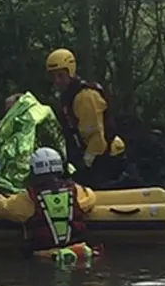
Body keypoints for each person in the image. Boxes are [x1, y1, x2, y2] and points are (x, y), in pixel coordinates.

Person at [0, 147, 102, 266]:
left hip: (45, 256)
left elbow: (5, 208)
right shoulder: (76, 191)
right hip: (79, 251)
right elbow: (90, 198)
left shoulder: (28, 197)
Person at [45, 48, 130, 189]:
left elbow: (97, 138)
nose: (57, 81)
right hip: (93, 155)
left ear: (70, 72)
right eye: (53, 77)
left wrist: (85, 164)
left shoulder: (84, 97)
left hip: (107, 156)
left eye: (60, 75)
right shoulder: (68, 96)